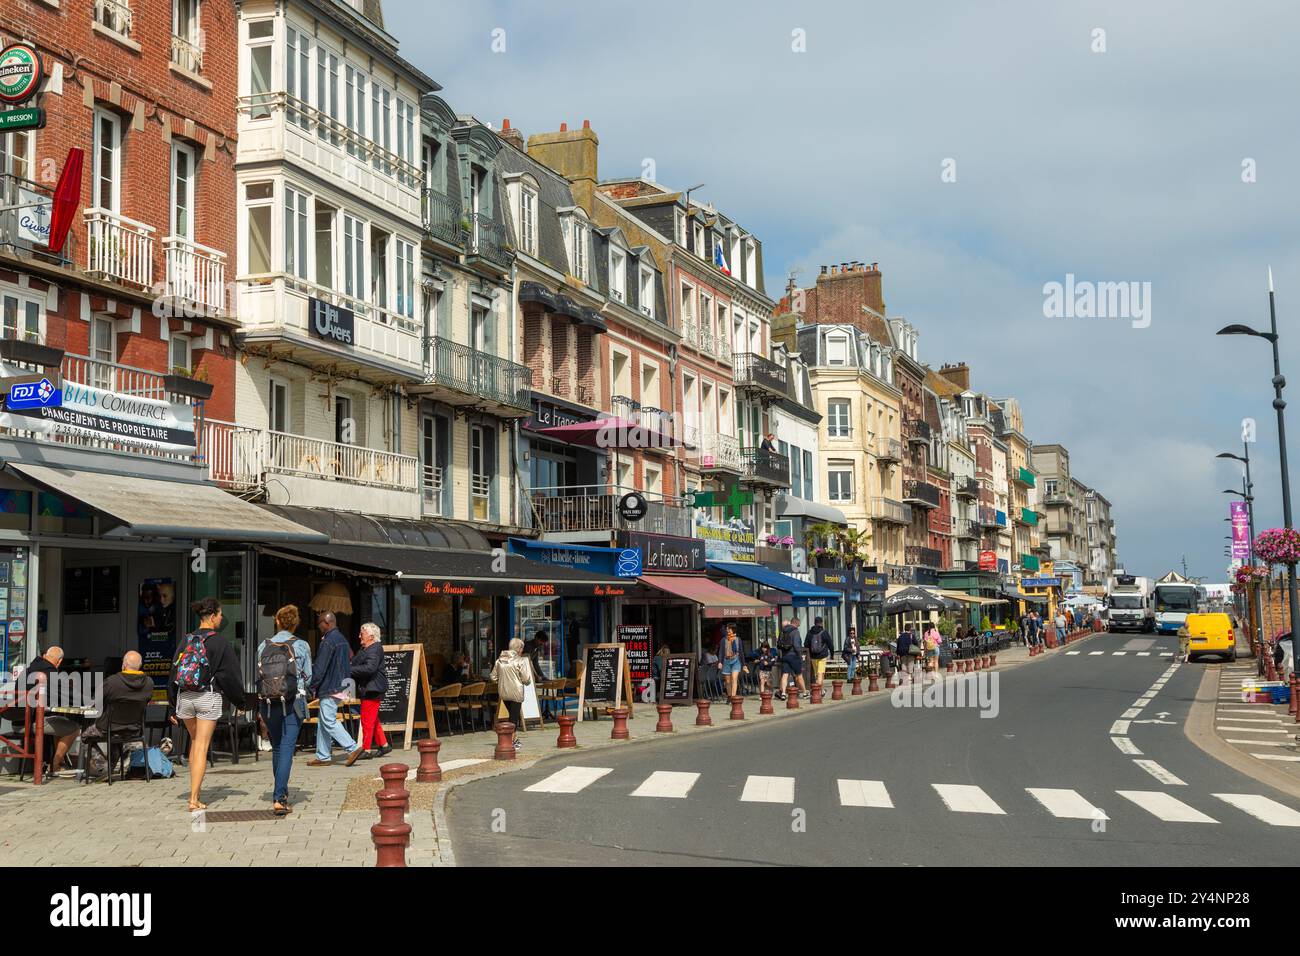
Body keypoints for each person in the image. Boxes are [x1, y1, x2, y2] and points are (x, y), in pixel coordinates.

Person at [168, 597, 247, 812]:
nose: (222, 618)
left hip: (185, 698)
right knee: (202, 746)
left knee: (195, 743)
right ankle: (194, 799)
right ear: (212, 617)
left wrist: (172, 704)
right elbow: (230, 677)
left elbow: (174, 672)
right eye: (220, 615)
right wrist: (240, 701)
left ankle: (196, 792)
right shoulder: (220, 642)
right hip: (207, 697)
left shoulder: (186, 640)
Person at [256, 604, 312, 815]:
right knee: (287, 748)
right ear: (295, 624)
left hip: (268, 703)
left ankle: (282, 793)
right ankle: (279, 797)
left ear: (277, 621)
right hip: (293, 701)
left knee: (278, 747)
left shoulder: (263, 645)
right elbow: (308, 677)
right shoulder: (302, 645)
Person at [2, 646, 81, 778]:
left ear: (44, 656)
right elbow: (72, 696)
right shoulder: (50, 674)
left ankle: (55, 762)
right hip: (33, 724)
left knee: (59, 723)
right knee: (73, 728)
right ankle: (55, 765)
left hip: (17, 723)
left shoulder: (26, 672)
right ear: (59, 661)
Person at [307, 610, 362, 768]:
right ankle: (323, 756)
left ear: (327, 622)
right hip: (342, 684)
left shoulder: (329, 641)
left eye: (319, 623)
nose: (318, 627)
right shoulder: (342, 639)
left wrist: (312, 686)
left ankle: (352, 747)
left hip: (331, 686)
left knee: (328, 720)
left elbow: (320, 667)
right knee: (323, 721)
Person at [350, 622, 390, 760]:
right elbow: (355, 662)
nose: (359, 635)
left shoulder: (375, 649)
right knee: (373, 719)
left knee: (367, 720)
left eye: (362, 633)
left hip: (373, 689)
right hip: (369, 688)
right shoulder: (366, 649)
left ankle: (366, 749)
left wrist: (348, 670)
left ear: (371, 636)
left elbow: (370, 668)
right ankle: (384, 745)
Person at [490, 638, 534, 751]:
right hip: (516, 693)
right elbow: (526, 679)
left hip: (503, 692)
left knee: (511, 716)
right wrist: (523, 681)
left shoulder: (499, 660)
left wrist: (501, 682)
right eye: (522, 648)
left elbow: (493, 677)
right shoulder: (520, 661)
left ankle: (513, 739)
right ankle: (511, 741)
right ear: (518, 649)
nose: (522, 650)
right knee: (514, 719)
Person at [776, 617, 808, 700]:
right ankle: (804, 692)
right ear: (796, 623)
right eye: (799, 625)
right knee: (799, 674)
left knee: (785, 674)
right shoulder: (795, 631)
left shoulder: (783, 630)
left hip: (785, 655)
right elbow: (797, 645)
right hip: (793, 655)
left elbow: (778, 644)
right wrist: (799, 655)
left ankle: (783, 693)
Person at [720, 625, 748, 698]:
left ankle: (733, 697)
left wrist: (744, 664)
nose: (727, 631)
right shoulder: (724, 640)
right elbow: (721, 651)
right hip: (726, 660)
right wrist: (720, 662)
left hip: (736, 660)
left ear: (733, 630)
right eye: (727, 629)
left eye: (729, 629)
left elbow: (741, 652)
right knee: (728, 681)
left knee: (734, 678)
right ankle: (729, 696)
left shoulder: (738, 639)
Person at [805, 617, 832, 686]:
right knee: (820, 673)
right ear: (821, 623)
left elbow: (806, 644)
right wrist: (832, 654)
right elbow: (830, 644)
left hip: (813, 656)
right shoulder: (824, 632)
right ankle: (818, 691)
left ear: (814, 623)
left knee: (817, 673)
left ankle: (821, 690)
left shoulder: (810, 632)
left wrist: (810, 653)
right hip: (822, 656)